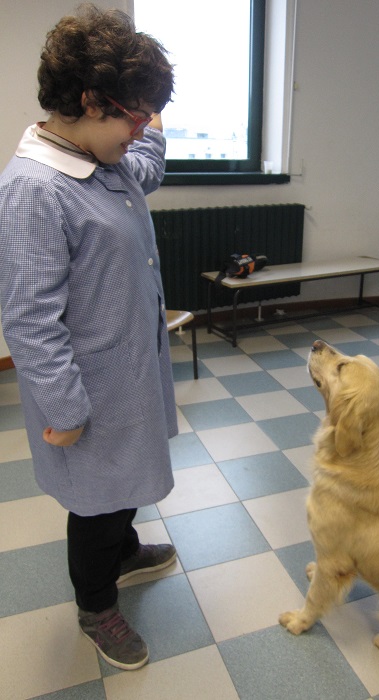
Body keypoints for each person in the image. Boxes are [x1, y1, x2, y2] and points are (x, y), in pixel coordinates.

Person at [0, 4, 178, 671]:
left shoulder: (104, 163)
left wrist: (151, 129)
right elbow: (29, 316)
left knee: (121, 487)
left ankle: (126, 550)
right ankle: (95, 604)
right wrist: (66, 410)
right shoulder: (33, 191)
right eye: (130, 119)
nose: (135, 135)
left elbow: (145, 173)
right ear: (85, 101)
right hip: (86, 393)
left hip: (127, 377)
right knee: (95, 506)